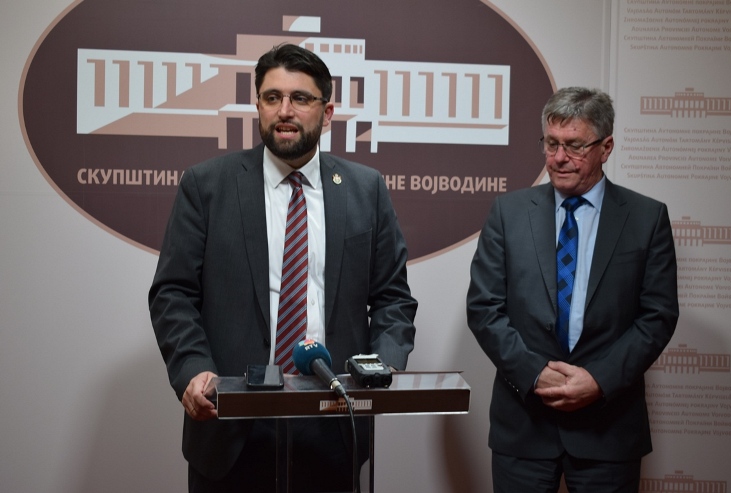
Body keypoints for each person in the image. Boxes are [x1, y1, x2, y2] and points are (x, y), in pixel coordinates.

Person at [149, 43, 417, 493]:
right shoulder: (207, 185)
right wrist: (193, 369)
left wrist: (380, 369)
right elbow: (173, 293)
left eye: (300, 98)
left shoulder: (364, 188)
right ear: (258, 105)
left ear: (327, 112)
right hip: (230, 423)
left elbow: (393, 298)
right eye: (272, 97)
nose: (284, 111)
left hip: (333, 421)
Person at [466, 87, 678, 492]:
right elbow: (484, 309)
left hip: (608, 429)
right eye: (551, 143)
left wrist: (599, 379)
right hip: (524, 427)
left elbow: (657, 317)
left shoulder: (646, 218)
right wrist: (534, 374)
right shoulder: (508, 213)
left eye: (574, 146)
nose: (558, 157)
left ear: (606, 147)